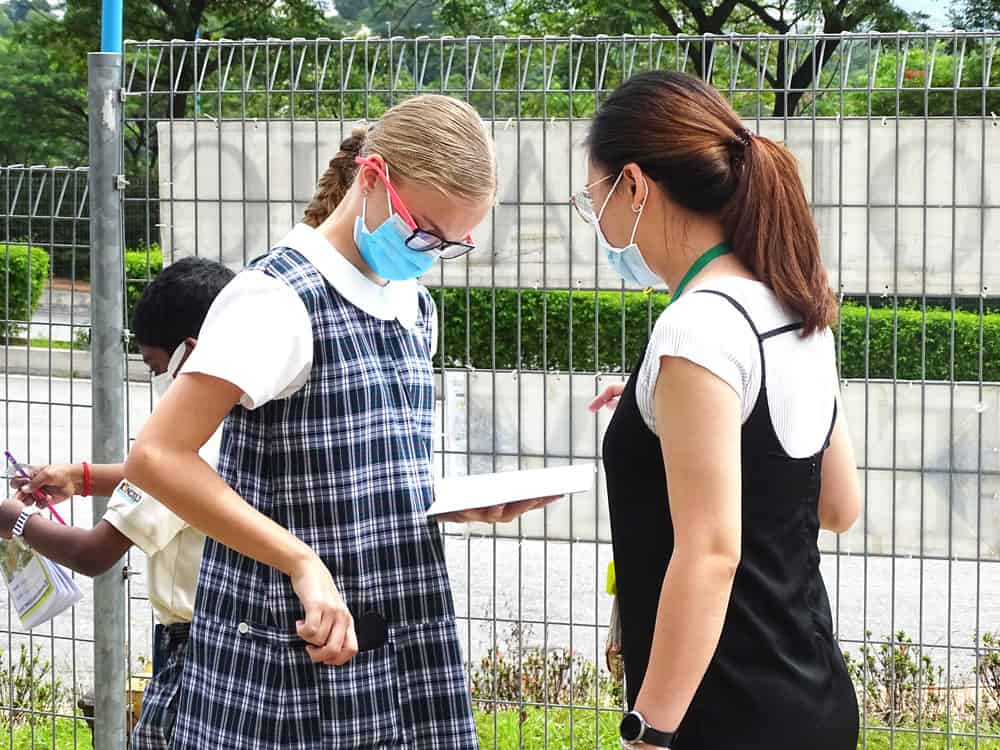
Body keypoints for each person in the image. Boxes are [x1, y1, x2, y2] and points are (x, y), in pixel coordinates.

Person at [124, 94, 551, 750]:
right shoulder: (276, 299)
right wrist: (299, 561)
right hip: (288, 655)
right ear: (372, 178)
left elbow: (367, 467)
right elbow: (157, 458)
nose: (430, 253)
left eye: (451, 243)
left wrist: (455, 504)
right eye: (424, 231)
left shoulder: (411, 305)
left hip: (399, 632)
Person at [577, 71, 862, 749]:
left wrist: (648, 731)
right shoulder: (792, 309)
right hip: (815, 696)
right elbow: (837, 505)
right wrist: (671, 414)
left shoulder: (696, 329)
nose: (597, 219)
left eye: (592, 198)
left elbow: (710, 554)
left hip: (722, 715)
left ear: (636, 187)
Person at [1, 256, 235, 750]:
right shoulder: (242, 415)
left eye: (155, 368)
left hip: (196, 648)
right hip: (232, 632)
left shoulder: (187, 440)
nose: (157, 382)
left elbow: (93, 553)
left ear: (188, 353)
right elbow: (155, 482)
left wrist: (14, 519)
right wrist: (80, 478)